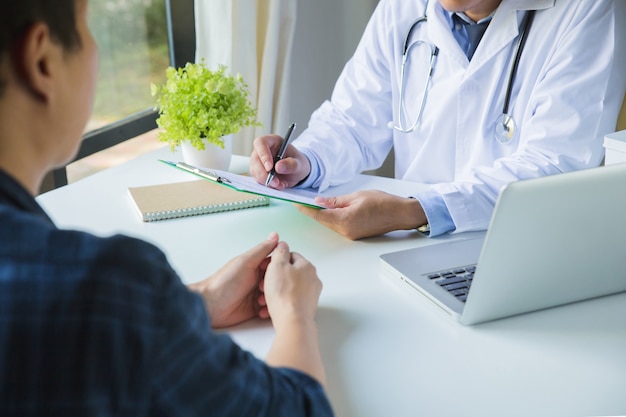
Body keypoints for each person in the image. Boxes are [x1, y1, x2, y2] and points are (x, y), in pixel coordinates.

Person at [0, 0, 333, 415]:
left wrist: (201, 299)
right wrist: (296, 313)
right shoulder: (106, 284)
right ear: (42, 60)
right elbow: (298, 407)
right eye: (89, 28)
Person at [251, 0, 626, 240]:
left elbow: (554, 164)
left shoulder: (587, 8)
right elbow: (352, 120)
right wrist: (305, 160)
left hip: (526, 248)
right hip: (407, 246)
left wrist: (418, 209)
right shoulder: (402, 8)